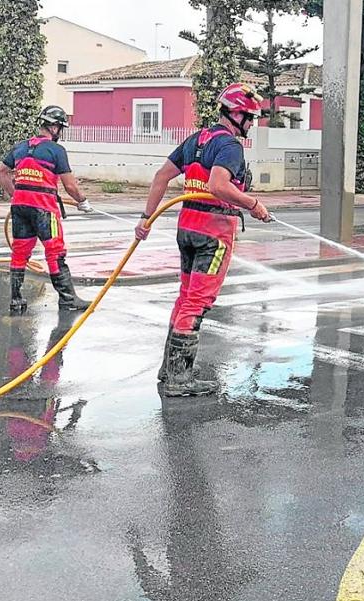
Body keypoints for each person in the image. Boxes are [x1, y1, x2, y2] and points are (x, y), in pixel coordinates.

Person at [134, 83, 272, 397]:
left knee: (185, 297)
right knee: (197, 302)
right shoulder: (230, 146)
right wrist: (253, 205)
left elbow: (161, 176)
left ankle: (169, 370)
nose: (251, 124)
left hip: (187, 229)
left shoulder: (197, 140)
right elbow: (218, 186)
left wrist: (146, 217)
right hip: (213, 233)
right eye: (249, 117)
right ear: (235, 113)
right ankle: (180, 380)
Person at [0, 106, 95, 315]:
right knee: (55, 253)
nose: (60, 132)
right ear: (54, 127)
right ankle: (68, 299)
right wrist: (82, 201)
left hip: (20, 208)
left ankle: (16, 299)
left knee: (20, 252)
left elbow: (1, 172)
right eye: (60, 127)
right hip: (44, 210)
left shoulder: (20, 147)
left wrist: (16, 194)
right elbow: (70, 186)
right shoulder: (56, 151)